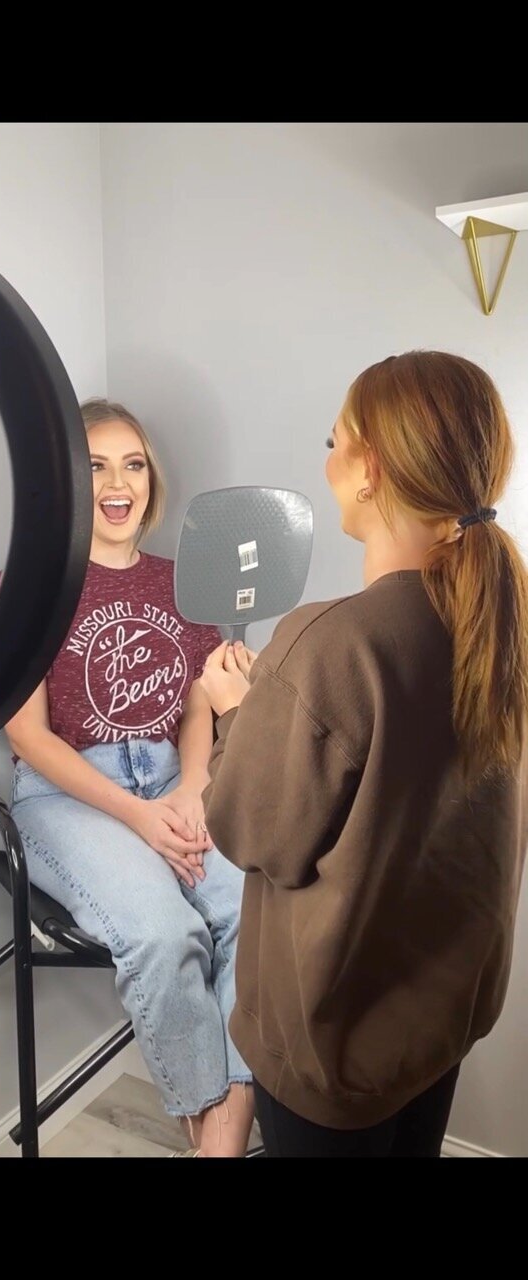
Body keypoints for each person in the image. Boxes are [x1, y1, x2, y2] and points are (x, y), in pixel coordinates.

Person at [199, 350, 528, 1158]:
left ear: (369, 469)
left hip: (332, 1044)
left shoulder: (330, 644)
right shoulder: (500, 620)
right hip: (440, 1020)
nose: (326, 460)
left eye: (333, 439)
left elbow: (249, 830)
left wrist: (238, 712)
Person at [2, 397, 254, 1157]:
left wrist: (191, 788)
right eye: (95, 464)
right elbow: (27, 736)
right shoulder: (34, 581)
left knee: (259, 914)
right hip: (69, 795)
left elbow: (195, 707)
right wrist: (138, 817)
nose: (118, 482)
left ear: (151, 477)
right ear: (71, 483)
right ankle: (215, 1131)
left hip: (179, 784)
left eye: (133, 463)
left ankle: (223, 1140)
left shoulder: (187, 583)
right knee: (162, 930)